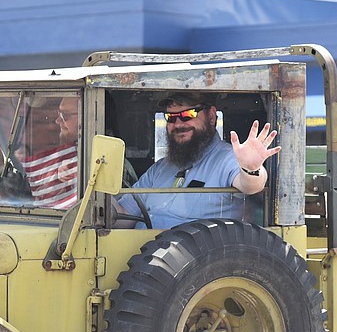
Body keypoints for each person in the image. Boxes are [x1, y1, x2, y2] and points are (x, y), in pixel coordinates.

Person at [114, 92, 281, 229]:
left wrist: (251, 167)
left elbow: (251, 185)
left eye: (187, 115)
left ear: (211, 116)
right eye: (171, 118)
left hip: (196, 263)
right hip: (139, 258)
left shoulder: (227, 159)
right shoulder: (160, 168)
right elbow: (123, 215)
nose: (178, 124)